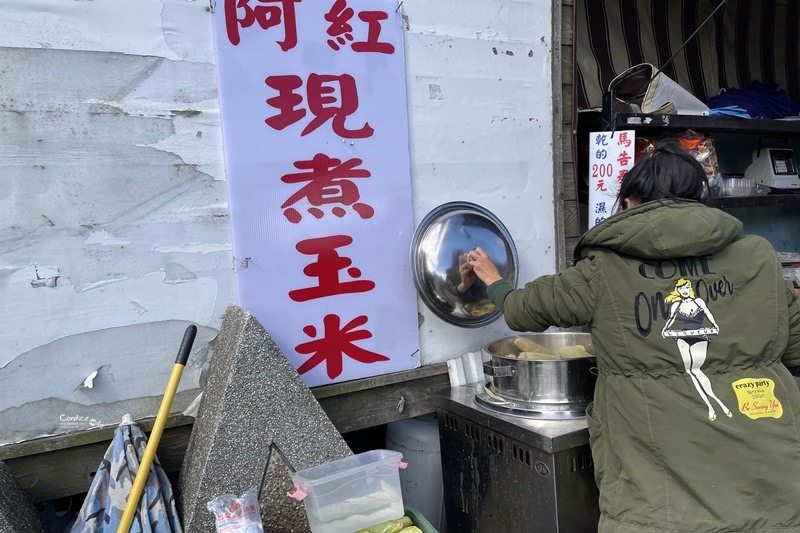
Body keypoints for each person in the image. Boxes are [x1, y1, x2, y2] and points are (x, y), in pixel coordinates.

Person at [467, 137, 800, 533]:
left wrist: (495, 282)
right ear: (698, 198)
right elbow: (794, 350)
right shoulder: (759, 256)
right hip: (769, 486)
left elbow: (525, 310)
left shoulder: (604, 267)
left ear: (628, 203)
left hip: (659, 503)